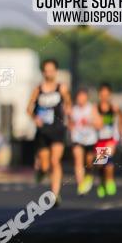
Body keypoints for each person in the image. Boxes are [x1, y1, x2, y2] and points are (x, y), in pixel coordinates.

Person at [27, 59, 70, 205]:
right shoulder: (37, 90)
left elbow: (68, 103)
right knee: (45, 165)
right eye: (46, 70)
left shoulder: (61, 88)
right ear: (43, 72)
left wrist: (68, 112)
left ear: (56, 71)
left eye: (52, 70)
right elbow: (29, 109)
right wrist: (35, 118)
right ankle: (41, 172)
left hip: (57, 130)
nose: (49, 73)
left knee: (55, 161)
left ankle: (55, 193)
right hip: (43, 131)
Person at [92, 83, 122, 198]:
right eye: (102, 95)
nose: (104, 97)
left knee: (108, 162)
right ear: (99, 95)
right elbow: (94, 122)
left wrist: (121, 129)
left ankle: (110, 181)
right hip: (99, 140)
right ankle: (102, 183)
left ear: (110, 95)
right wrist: (97, 123)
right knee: (101, 165)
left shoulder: (114, 107)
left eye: (107, 95)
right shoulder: (95, 108)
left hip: (110, 139)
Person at [69, 88, 99, 196]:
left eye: (83, 97)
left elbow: (99, 123)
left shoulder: (91, 108)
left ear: (86, 97)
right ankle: (80, 185)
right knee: (78, 161)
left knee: (89, 161)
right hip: (77, 138)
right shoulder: (73, 109)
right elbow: (70, 123)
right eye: (79, 97)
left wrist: (91, 123)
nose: (80, 99)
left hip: (90, 139)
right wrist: (71, 127)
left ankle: (89, 174)